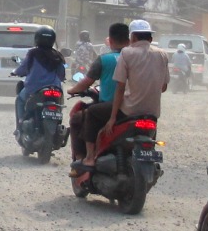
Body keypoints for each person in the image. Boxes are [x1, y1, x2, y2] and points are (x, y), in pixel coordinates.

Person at [74, 18, 167, 175]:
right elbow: (163, 87)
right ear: (150, 38)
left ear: (133, 38)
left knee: (91, 112)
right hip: (152, 113)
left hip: (129, 110)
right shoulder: (162, 54)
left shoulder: (127, 52)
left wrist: (112, 117)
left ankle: (89, 157)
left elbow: (120, 87)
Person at [68, 22, 127, 164]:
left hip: (110, 106)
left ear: (110, 41)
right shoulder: (137, 58)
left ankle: (86, 157)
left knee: (80, 117)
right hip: (136, 106)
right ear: (129, 40)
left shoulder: (105, 59)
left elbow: (87, 81)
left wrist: (72, 90)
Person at [12, 26, 66, 129]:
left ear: (37, 39)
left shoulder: (33, 53)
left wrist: (15, 72)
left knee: (20, 99)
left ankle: (20, 123)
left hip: (34, 88)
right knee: (59, 104)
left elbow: (23, 68)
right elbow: (61, 74)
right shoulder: (57, 55)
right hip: (54, 88)